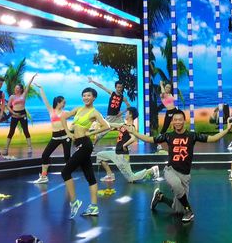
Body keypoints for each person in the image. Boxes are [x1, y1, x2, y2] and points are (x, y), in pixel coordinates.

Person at [128, 109, 232, 223]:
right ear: (172, 122)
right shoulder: (168, 136)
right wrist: (135, 133)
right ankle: (189, 211)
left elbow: (213, 138)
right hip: (171, 170)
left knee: (178, 210)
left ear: (184, 121)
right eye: (175, 120)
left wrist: (227, 129)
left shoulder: (192, 136)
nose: (177, 122)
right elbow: (150, 139)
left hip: (185, 175)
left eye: (180, 120)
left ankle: (160, 197)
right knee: (176, 185)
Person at [61, 87, 110, 218]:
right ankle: (94, 207)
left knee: (65, 172)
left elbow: (107, 126)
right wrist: (68, 132)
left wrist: (92, 132)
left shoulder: (94, 113)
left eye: (88, 95)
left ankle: (74, 202)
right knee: (90, 176)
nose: (86, 98)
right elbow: (63, 117)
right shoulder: (78, 109)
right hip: (78, 143)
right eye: (84, 95)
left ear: (94, 97)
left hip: (85, 144)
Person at [96, 107, 159, 183]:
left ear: (130, 115)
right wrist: (100, 119)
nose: (125, 114)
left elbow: (133, 138)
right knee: (100, 156)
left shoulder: (131, 127)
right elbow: (111, 124)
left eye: (127, 113)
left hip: (122, 156)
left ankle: (152, 170)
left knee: (131, 178)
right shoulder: (123, 125)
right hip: (116, 153)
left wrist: (124, 145)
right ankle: (110, 175)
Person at [34, 84, 71, 184]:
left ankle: (68, 175)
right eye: (63, 102)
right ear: (59, 102)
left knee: (67, 157)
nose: (65, 104)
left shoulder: (66, 112)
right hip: (55, 137)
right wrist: (41, 88)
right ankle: (44, 176)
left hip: (66, 136)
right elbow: (45, 99)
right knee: (45, 155)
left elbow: (78, 116)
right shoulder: (51, 110)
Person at [88, 77, 130, 144]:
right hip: (110, 117)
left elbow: (129, 106)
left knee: (125, 129)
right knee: (102, 133)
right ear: (115, 87)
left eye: (121, 87)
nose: (119, 89)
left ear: (122, 88)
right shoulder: (112, 93)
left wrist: (121, 113)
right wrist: (92, 81)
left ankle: (124, 145)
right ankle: (93, 145)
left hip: (118, 117)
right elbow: (102, 86)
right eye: (118, 87)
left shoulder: (123, 97)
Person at [3, 74, 36, 156]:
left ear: (21, 89)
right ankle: (6, 149)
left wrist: (32, 77)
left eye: (17, 88)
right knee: (11, 132)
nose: (16, 89)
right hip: (14, 115)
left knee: (26, 131)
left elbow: (28, 86)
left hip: (22, 115)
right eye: (15, 88)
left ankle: (29, 147)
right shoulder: (12, 96)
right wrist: (13, 112)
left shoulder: (23, 95)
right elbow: (8, 106)